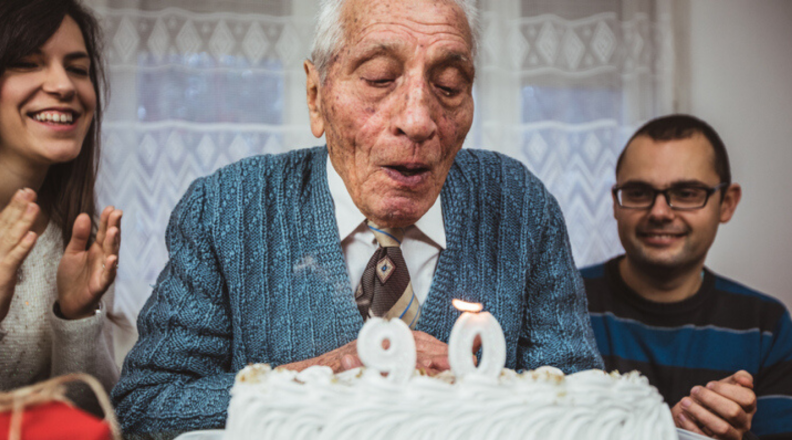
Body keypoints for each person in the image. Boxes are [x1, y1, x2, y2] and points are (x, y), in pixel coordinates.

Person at [112, 0, 603, 436]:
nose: (418, 120)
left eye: (449, 85)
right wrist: (319, 379)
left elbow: (589, 407)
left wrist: (474, 384)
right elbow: (145, 408)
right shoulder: (225, 210)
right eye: (379, 79)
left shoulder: (520, 206)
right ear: (315, 95)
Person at [581, 114, 792, 440]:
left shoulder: (766, 326)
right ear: (615, 203)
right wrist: (668, 431)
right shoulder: (561, 301)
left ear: (727, 203)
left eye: (687, 193)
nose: (660, 212)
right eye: (638, 192)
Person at [0, 0, 123, 413]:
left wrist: (77, 318)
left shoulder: (71, 237)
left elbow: (87, 419)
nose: (64, 86)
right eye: (26, 62)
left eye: (77, 68)